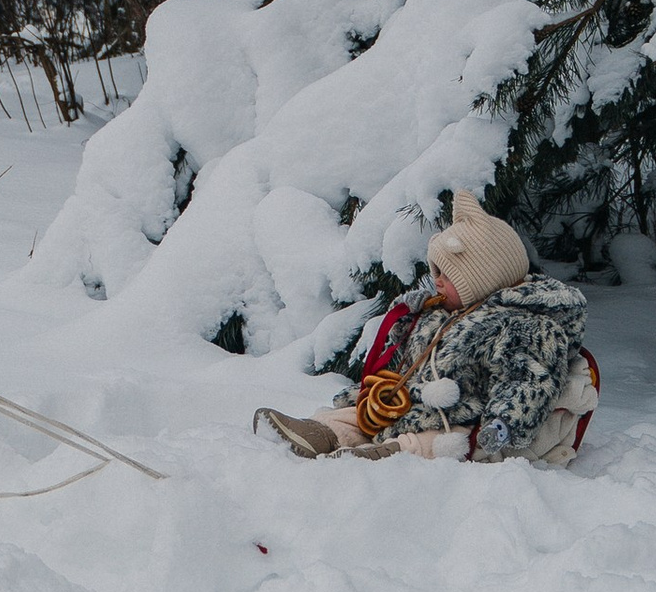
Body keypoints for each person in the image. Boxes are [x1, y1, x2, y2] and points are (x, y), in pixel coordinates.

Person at [255, 194, 595, 468]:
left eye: (446, 274)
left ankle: (382, 459)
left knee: (430, 444)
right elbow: (403, 364)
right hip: (410, 402)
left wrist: (502, 424)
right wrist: (405, 326)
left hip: (462, 418)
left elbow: (529, 381)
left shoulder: (526, 325)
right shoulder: (442, 313)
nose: (436, 281)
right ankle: (321, 432)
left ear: (482, 279)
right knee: (356, 416)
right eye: (435, 272)